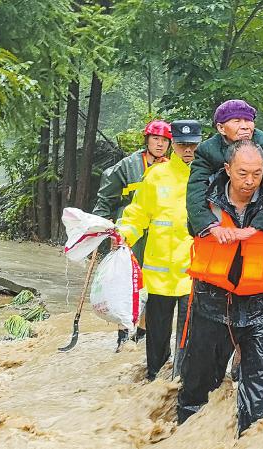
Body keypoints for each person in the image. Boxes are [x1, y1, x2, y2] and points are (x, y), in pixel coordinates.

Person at [178, 140, 263, 435]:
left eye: (257, 173)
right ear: (227, 169)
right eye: (243, 173)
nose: (250, 181)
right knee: (199, 382)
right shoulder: (204, 201)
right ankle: (189, 436)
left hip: (262, 306)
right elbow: (192, 228)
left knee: (259, 392)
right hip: (212, 303)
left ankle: (249, 437)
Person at [115, 120, 200, 380]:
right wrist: (124, 234)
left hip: (192, 272)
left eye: (192, 145)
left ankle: (182, 381)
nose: (188, 150)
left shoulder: (207, 176)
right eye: (182, 145)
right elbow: (138, 213)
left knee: (189, 335)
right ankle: (154, 379)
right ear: (174, 145)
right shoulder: (156, 176)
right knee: (157, 334)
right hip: (159, 273)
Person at [93, 119, 172, 349]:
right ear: (147, 140)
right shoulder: (128, 166)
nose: (160, 144)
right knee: (126, 279)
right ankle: (123, 333)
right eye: (155, 139)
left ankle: (143, 332)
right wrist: (101, 223)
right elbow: (106, 197)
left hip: (158, 231)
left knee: (152, 280)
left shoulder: (172, 168)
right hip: (131, 228)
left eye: (164, 140)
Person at [186, 99, 263, 238]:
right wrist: (210, 225)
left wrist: (257, 227)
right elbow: (195, 191)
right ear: (221, 128)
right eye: (237, 121)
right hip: (223, 215)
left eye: (248, 120)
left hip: (256, 211)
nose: (245, 127)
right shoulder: (207, 150)